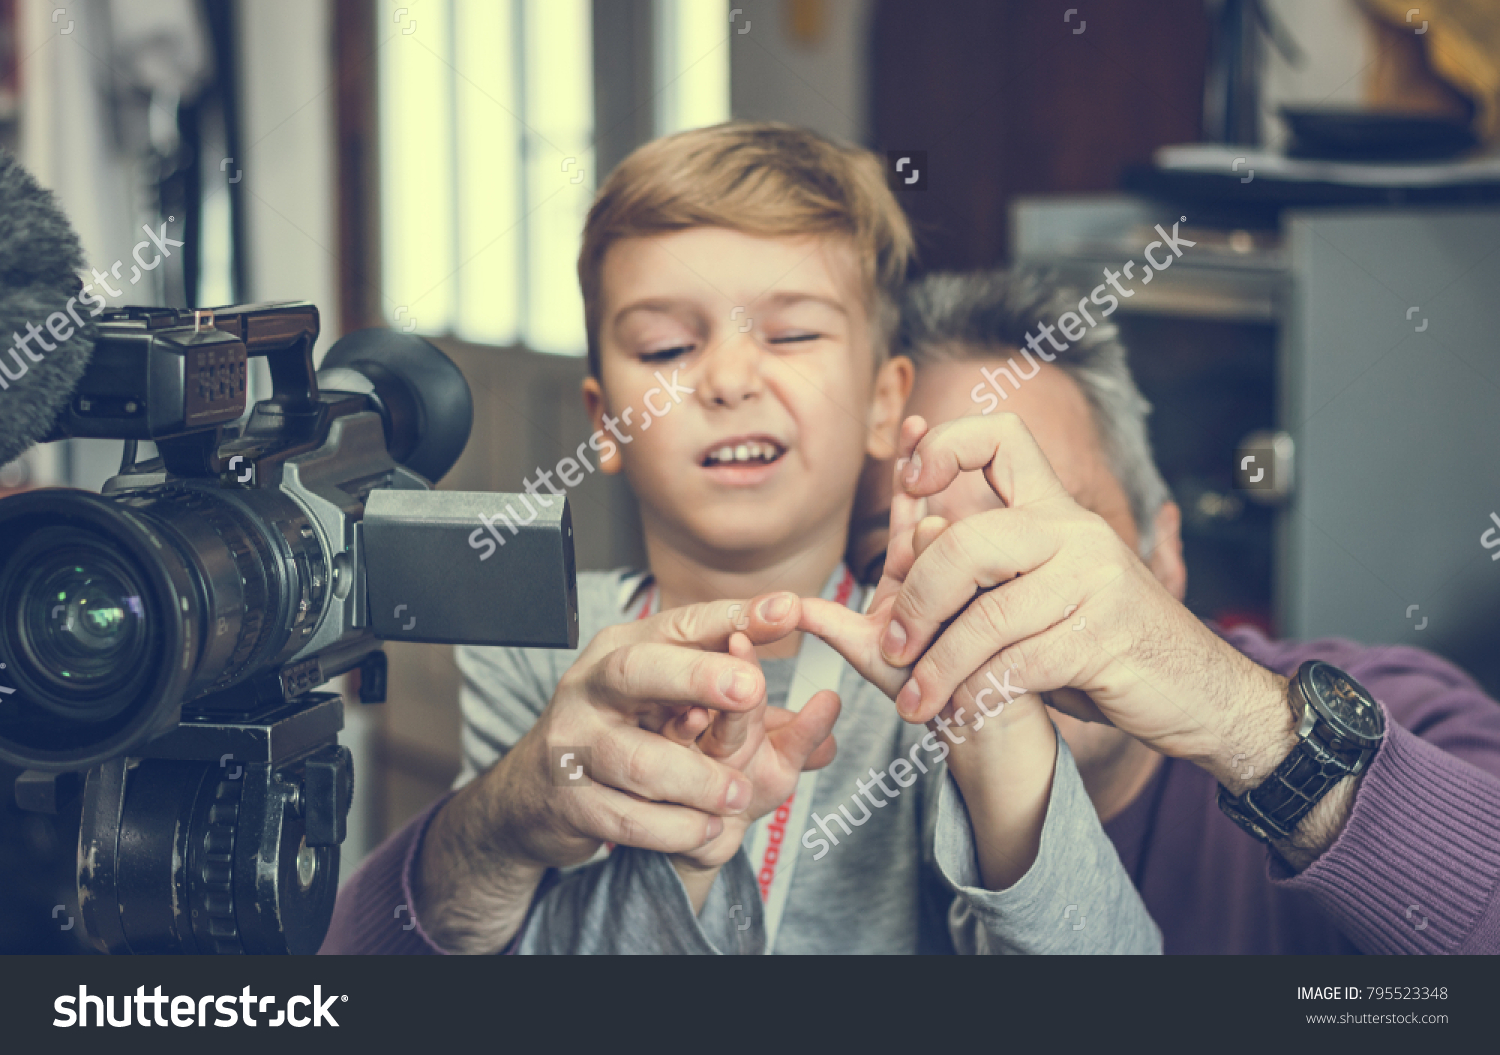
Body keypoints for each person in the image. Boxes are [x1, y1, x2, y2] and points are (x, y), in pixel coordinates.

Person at [320, 124, 1160, 955]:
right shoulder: (538, 655)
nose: (726, 379)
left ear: (881, 401)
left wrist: (996, 727)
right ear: (606, 421)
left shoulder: (933, 664)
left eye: (791, 333)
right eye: (668, 346)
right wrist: (669, 850)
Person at [807, 270, 1500, 954]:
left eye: (1036, 537)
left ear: (1161, 550)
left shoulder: (1402, 716)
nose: (979, 604)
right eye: (906, 563)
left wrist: (1250, 729)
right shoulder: (840, 822)